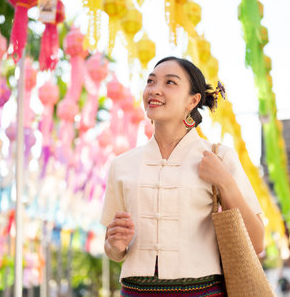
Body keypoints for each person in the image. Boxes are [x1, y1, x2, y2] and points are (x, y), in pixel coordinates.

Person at [100, 56, 265, 296]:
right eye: (151, 81)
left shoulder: (220, 158)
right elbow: (113, 249)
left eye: (170, 83)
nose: (155, 90)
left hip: (202, 291)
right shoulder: (122, 165)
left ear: (193, 101)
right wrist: (115, 246)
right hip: (135, 291)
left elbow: (257, 243)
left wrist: (225, 182)